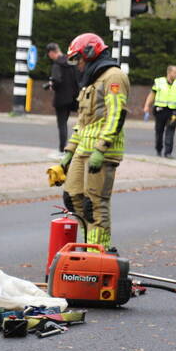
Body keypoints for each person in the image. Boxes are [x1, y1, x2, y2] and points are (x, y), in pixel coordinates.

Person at [56, 33, 129, 248]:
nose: (77, 65)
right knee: (72, 197)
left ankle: (100, 251)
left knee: (95, 204)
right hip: (83, 150)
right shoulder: (91, 81)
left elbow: (116, 115)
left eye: (78, 59)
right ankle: (90, 243)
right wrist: (68, 153)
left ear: (90, 53)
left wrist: (101, 148)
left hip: (101, 153)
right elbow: (82, 123)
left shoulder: (113, 77)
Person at [143, 65, 176, 157]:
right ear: (169, 72)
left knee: (170, 131)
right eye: (175, 72)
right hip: (160, 110)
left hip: (173, 111)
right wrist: (147, 105)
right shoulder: (159, 82)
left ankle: (168, 152)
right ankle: (158, 149)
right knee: (159, 131)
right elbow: (152, 94)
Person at [45, 42, 79, 153]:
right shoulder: (71, 61)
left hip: (61, 99)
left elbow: (56, 80)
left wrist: (52, 85)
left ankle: (62, 150)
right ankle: (77, 147)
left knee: (62, 124)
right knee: (80, 122)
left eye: (49, 54)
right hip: (73, 98)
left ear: (52, 52)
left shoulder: (57, 64)